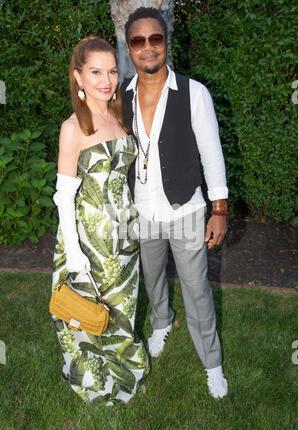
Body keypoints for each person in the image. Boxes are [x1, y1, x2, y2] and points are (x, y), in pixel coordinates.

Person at [121, 7, 229, 399]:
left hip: (186, 209)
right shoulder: (121, 96)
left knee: (197, 289)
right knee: (152, 279)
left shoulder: (194, 93)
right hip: (142, 210)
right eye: (138, 41)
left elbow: (211, 154)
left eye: (156, 39)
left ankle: (212, 364)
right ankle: (162, 323)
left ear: (166, 43)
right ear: (129, 48)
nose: (148, 48)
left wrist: (219, 209)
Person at [51, 36, 149, 405]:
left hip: (125, 234)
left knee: (121, 307)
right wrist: (74, 256)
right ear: (78, 76)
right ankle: (93, 376)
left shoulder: (119, 116)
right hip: (88, 237)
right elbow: (63, 197)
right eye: (95, 72)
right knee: (87, 311)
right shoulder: (73, 127)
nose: (106, 80)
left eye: (111, 71)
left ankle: (123, 367)